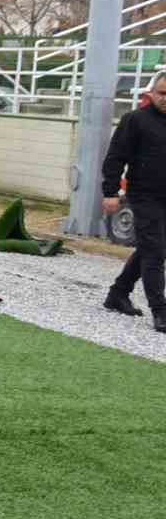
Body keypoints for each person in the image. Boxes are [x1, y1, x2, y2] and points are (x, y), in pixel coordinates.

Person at [102, 70, 166, 332]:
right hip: (144, 195)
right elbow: (115, 157)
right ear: (151, 93)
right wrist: (110, 191)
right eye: (162, 93)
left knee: (153, 249)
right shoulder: (135, 120)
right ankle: (160, 312)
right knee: (155, 252)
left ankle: (118, 294)